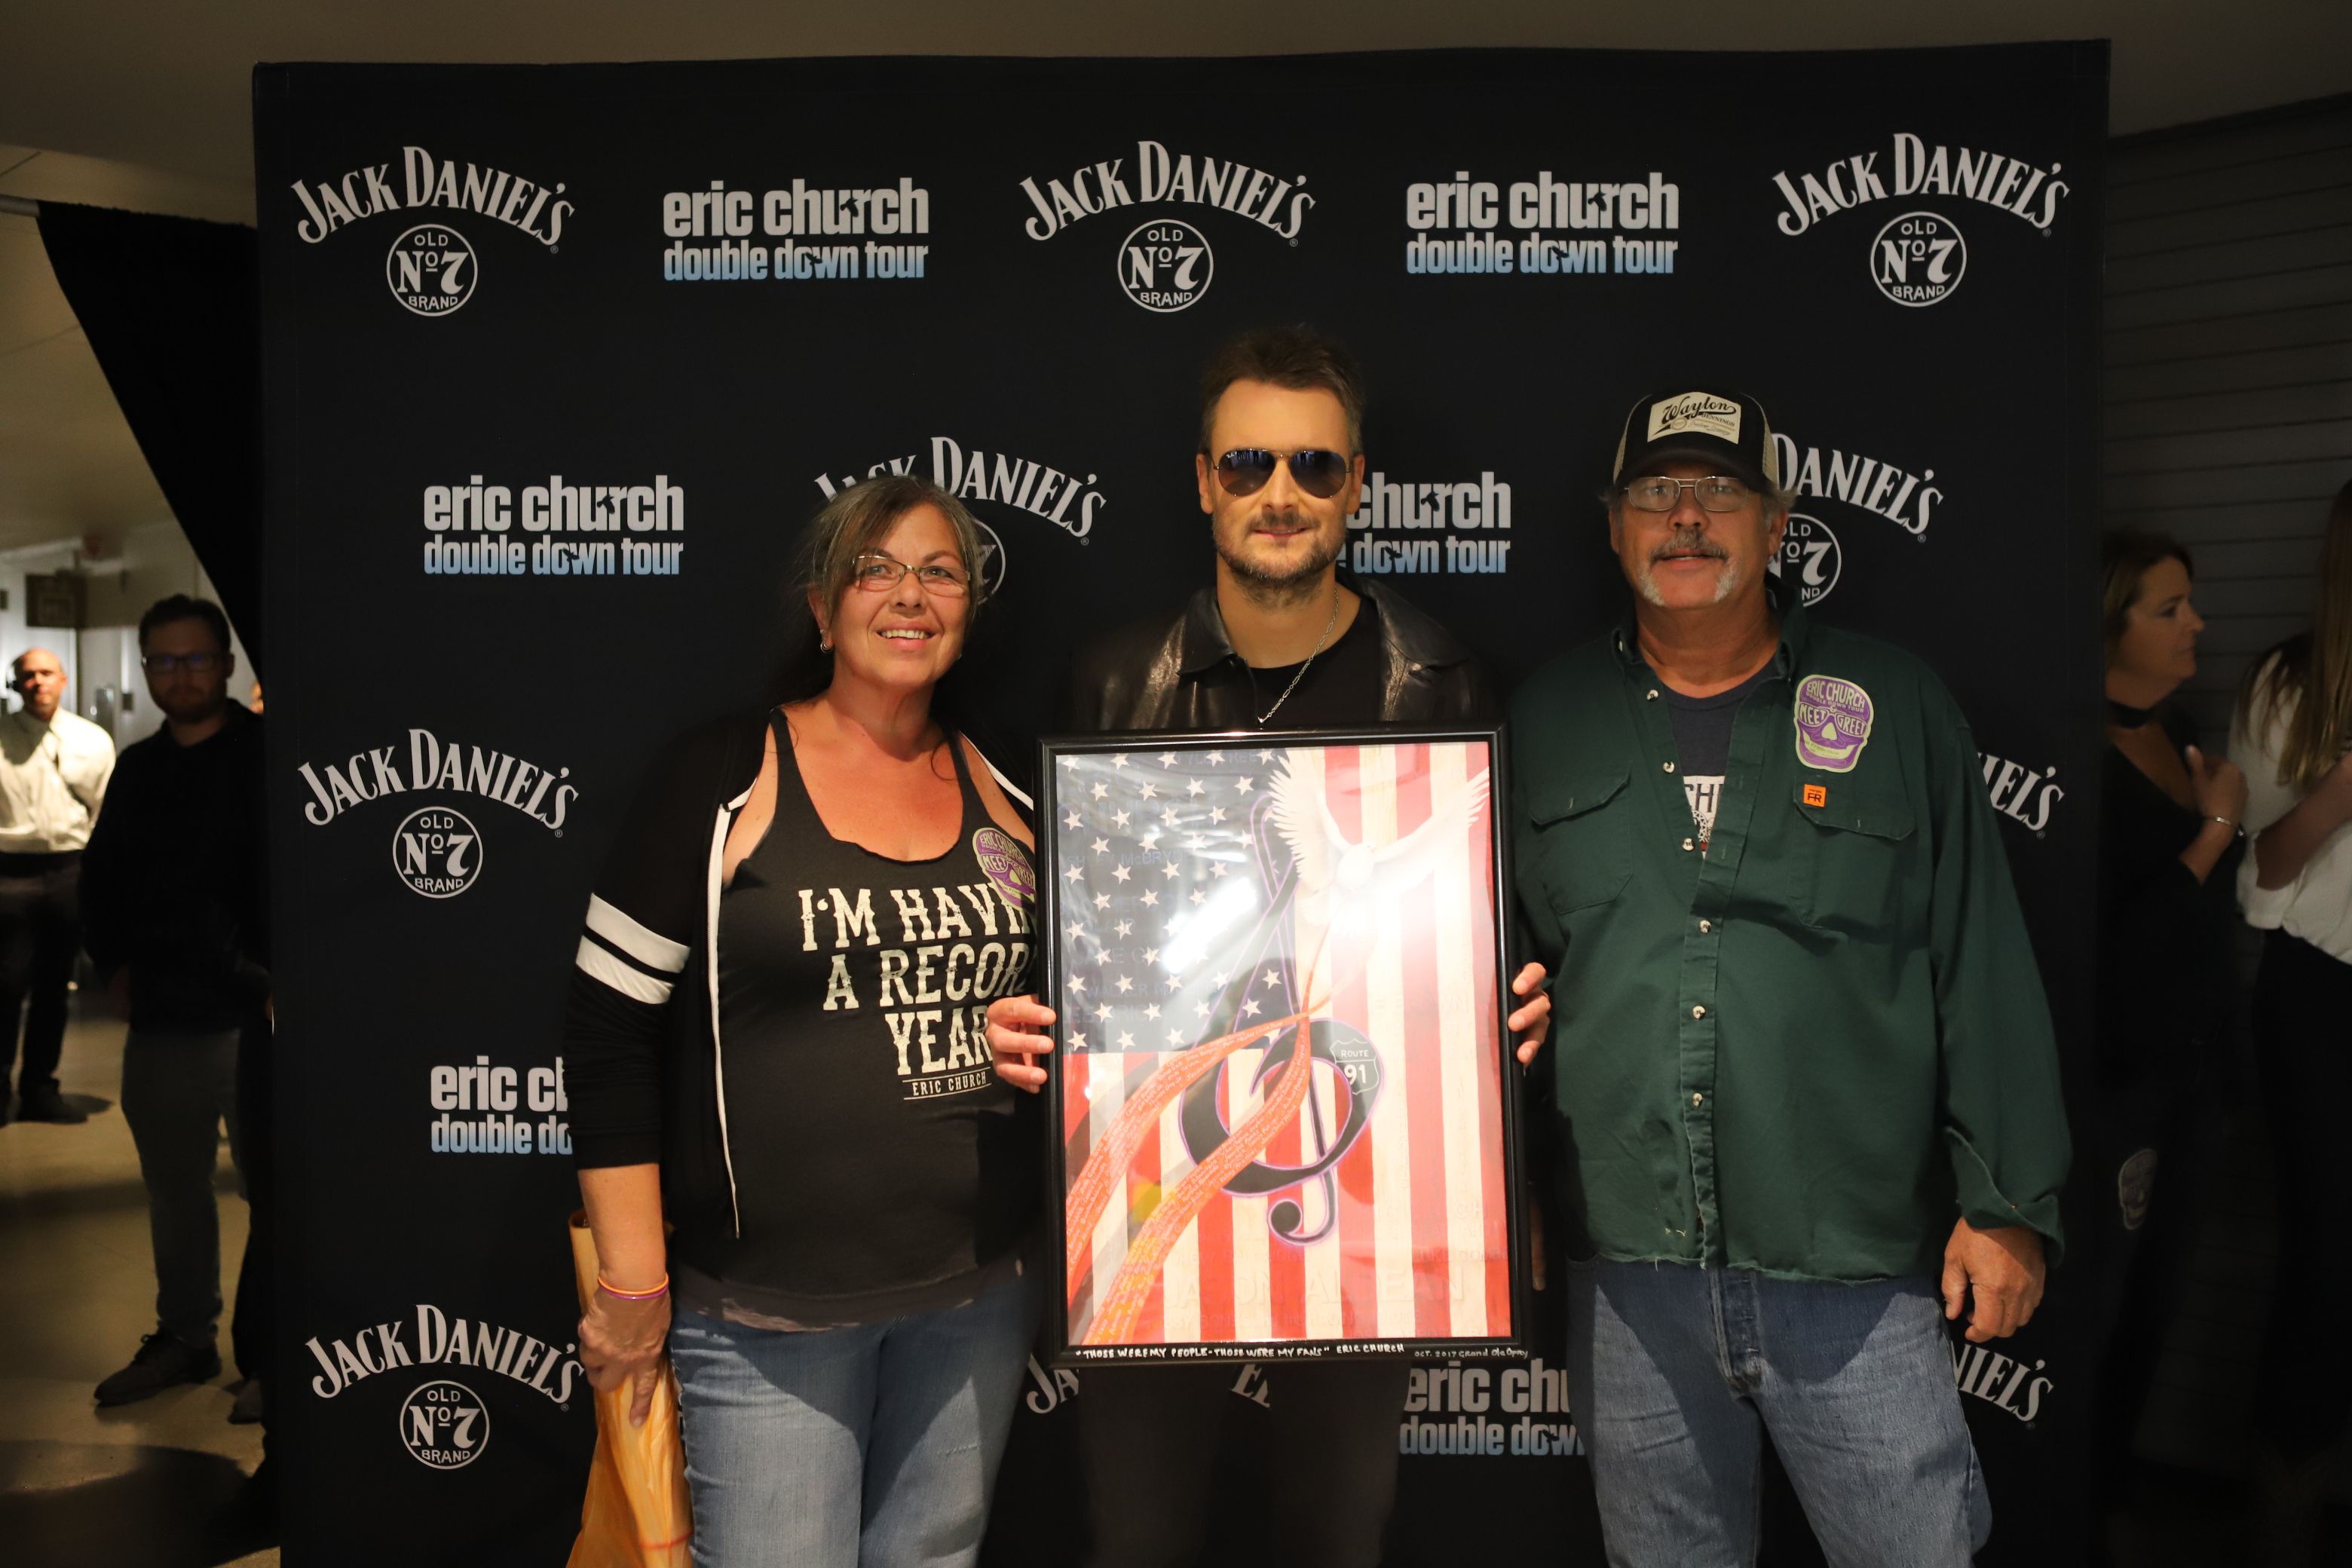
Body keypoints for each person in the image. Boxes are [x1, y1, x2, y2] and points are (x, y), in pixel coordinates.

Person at [986, 325, 1553, 1568]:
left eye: (1313, 466)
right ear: (1204, 482)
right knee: (1137, 1541)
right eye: (1249, 464)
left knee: (1339, 1535)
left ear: (1356, 487)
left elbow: (1482, 935)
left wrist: (1509, 1004)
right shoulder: (1113, 681)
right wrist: (1029, 1015)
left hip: (1369, 1191)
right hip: (1154, 1200)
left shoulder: (1441, 683)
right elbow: (1064, 942)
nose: (1279, 494)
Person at [1508, 387, 2069, 1565]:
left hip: (1851, 1267)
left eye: (1721, 491)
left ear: (1777, 524)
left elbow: (1980, 957)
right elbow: (1493, 970)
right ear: (1613, 525)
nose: (1687, 516)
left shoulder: (1894, 703)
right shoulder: (1544, 718)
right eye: (1657, 491)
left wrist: (2009, 1204)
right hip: (1630, 1273)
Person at [566, 476, 1042, 1567]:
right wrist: (632, 1284)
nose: (909, 594)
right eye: (875, 569)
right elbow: (606, 1034)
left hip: (978, 1298)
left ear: (968, 614)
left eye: (939, 572)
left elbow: (1092, 1002)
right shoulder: (720, 777)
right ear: (823, 610)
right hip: (768, 1323)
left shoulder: (1010, 781)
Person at [2090, 531, 2243, 1537]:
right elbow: (2116, 946)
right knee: (2103, 1310)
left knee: (2159, 1303)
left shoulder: (2179, 729)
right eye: (2169, 609)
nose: (2197, 625)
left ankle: (2107, 1507)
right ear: (2110, 627)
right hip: (2122, 1081)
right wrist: (2215, 833)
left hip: (2197, 1069)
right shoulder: (2078, 759)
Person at [81, 596, 268, 1405]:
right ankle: (187, 1338)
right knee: (174, 1191)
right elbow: (102, 879)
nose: (180, 675)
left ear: (225, 665)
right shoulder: (139, 768)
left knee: (276, 1194)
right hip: (162, 1021)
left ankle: (274, 1359)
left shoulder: (268, 757)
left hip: (253, 1022)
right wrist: (113, 967)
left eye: (194, 659)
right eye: (164, 660)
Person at [2230, 478, 2352, 1560]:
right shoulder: (2292, 682)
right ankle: (2285, 1516)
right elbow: (2260, 877)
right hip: (2322, 995)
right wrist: (2344, 787)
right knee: (2330, 1263)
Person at [0, 645, 113, 1125]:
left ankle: (40, 1087)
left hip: (69, 869)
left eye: (47, 673)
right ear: (15, 683)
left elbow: (104, 807)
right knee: (6, 984)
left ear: (63, 679)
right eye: (28, 675)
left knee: (53, 985)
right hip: (9, 870)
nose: (38, 682)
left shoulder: (91, 739)